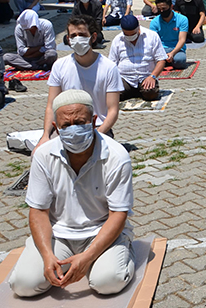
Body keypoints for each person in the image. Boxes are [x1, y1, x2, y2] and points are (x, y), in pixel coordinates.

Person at [9, 90, 135, 298]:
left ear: (93, 121)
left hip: (100, 232)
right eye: (66, 126)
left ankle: (122, 248)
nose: (73, 129)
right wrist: (48, 256)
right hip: (59, 235)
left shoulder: (116, 156)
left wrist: (87, 257)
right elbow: (38, 211)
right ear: (56, 127)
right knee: (24, 285)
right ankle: (57, 258)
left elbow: (118, 214)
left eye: (80, 122)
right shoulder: (43, 155)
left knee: (107, 282)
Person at [41, 16, 123, 147]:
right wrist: (45, 136)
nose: (77, 39)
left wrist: (97, 135)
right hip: (67, 128)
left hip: (98, 127)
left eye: (82, 34)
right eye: (73, 36)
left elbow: (113, 110)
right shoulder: (59, 66)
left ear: (93, 37)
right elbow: (51, 106)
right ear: (68, 40)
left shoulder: (109, 67)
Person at [108, 15, 166, 102]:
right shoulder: (117, 40)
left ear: (138, 27)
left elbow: (161, 60)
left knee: (151, 93)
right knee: (112, 95)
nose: (130, 37)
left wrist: (152, 76)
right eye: (127, 35)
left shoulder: (152, 36)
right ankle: (132, 92)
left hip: (145, 76)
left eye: (133, 34)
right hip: (125, 78)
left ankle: (138, 91)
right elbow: (112, 63)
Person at [149, 0, 190, 70]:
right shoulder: (154, 22)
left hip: (177, 49)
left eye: (164, 8)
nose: (161, 11)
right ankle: (165, 61)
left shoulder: (182, 19)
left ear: (171, 6)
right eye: (159, 9)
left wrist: (172, 53)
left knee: (179, 61)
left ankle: (166, 62)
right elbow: (153, 41)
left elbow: (182, 40)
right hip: (161, 49)